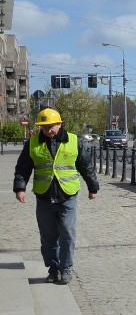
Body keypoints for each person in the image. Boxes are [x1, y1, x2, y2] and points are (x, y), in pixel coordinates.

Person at [13, 108, 99, 284]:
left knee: (67, 232)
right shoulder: (32, 143)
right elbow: (22, 168)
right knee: (48, 236)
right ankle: (53, 268)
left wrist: (93, 187)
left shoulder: (73, 141)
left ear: (60, 124)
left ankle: (66, 268)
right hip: (44, 197)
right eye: (44, 127)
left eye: (51, 126)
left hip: (67, 195)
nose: (47, 130)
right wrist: (20, 188)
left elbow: (86, 166)